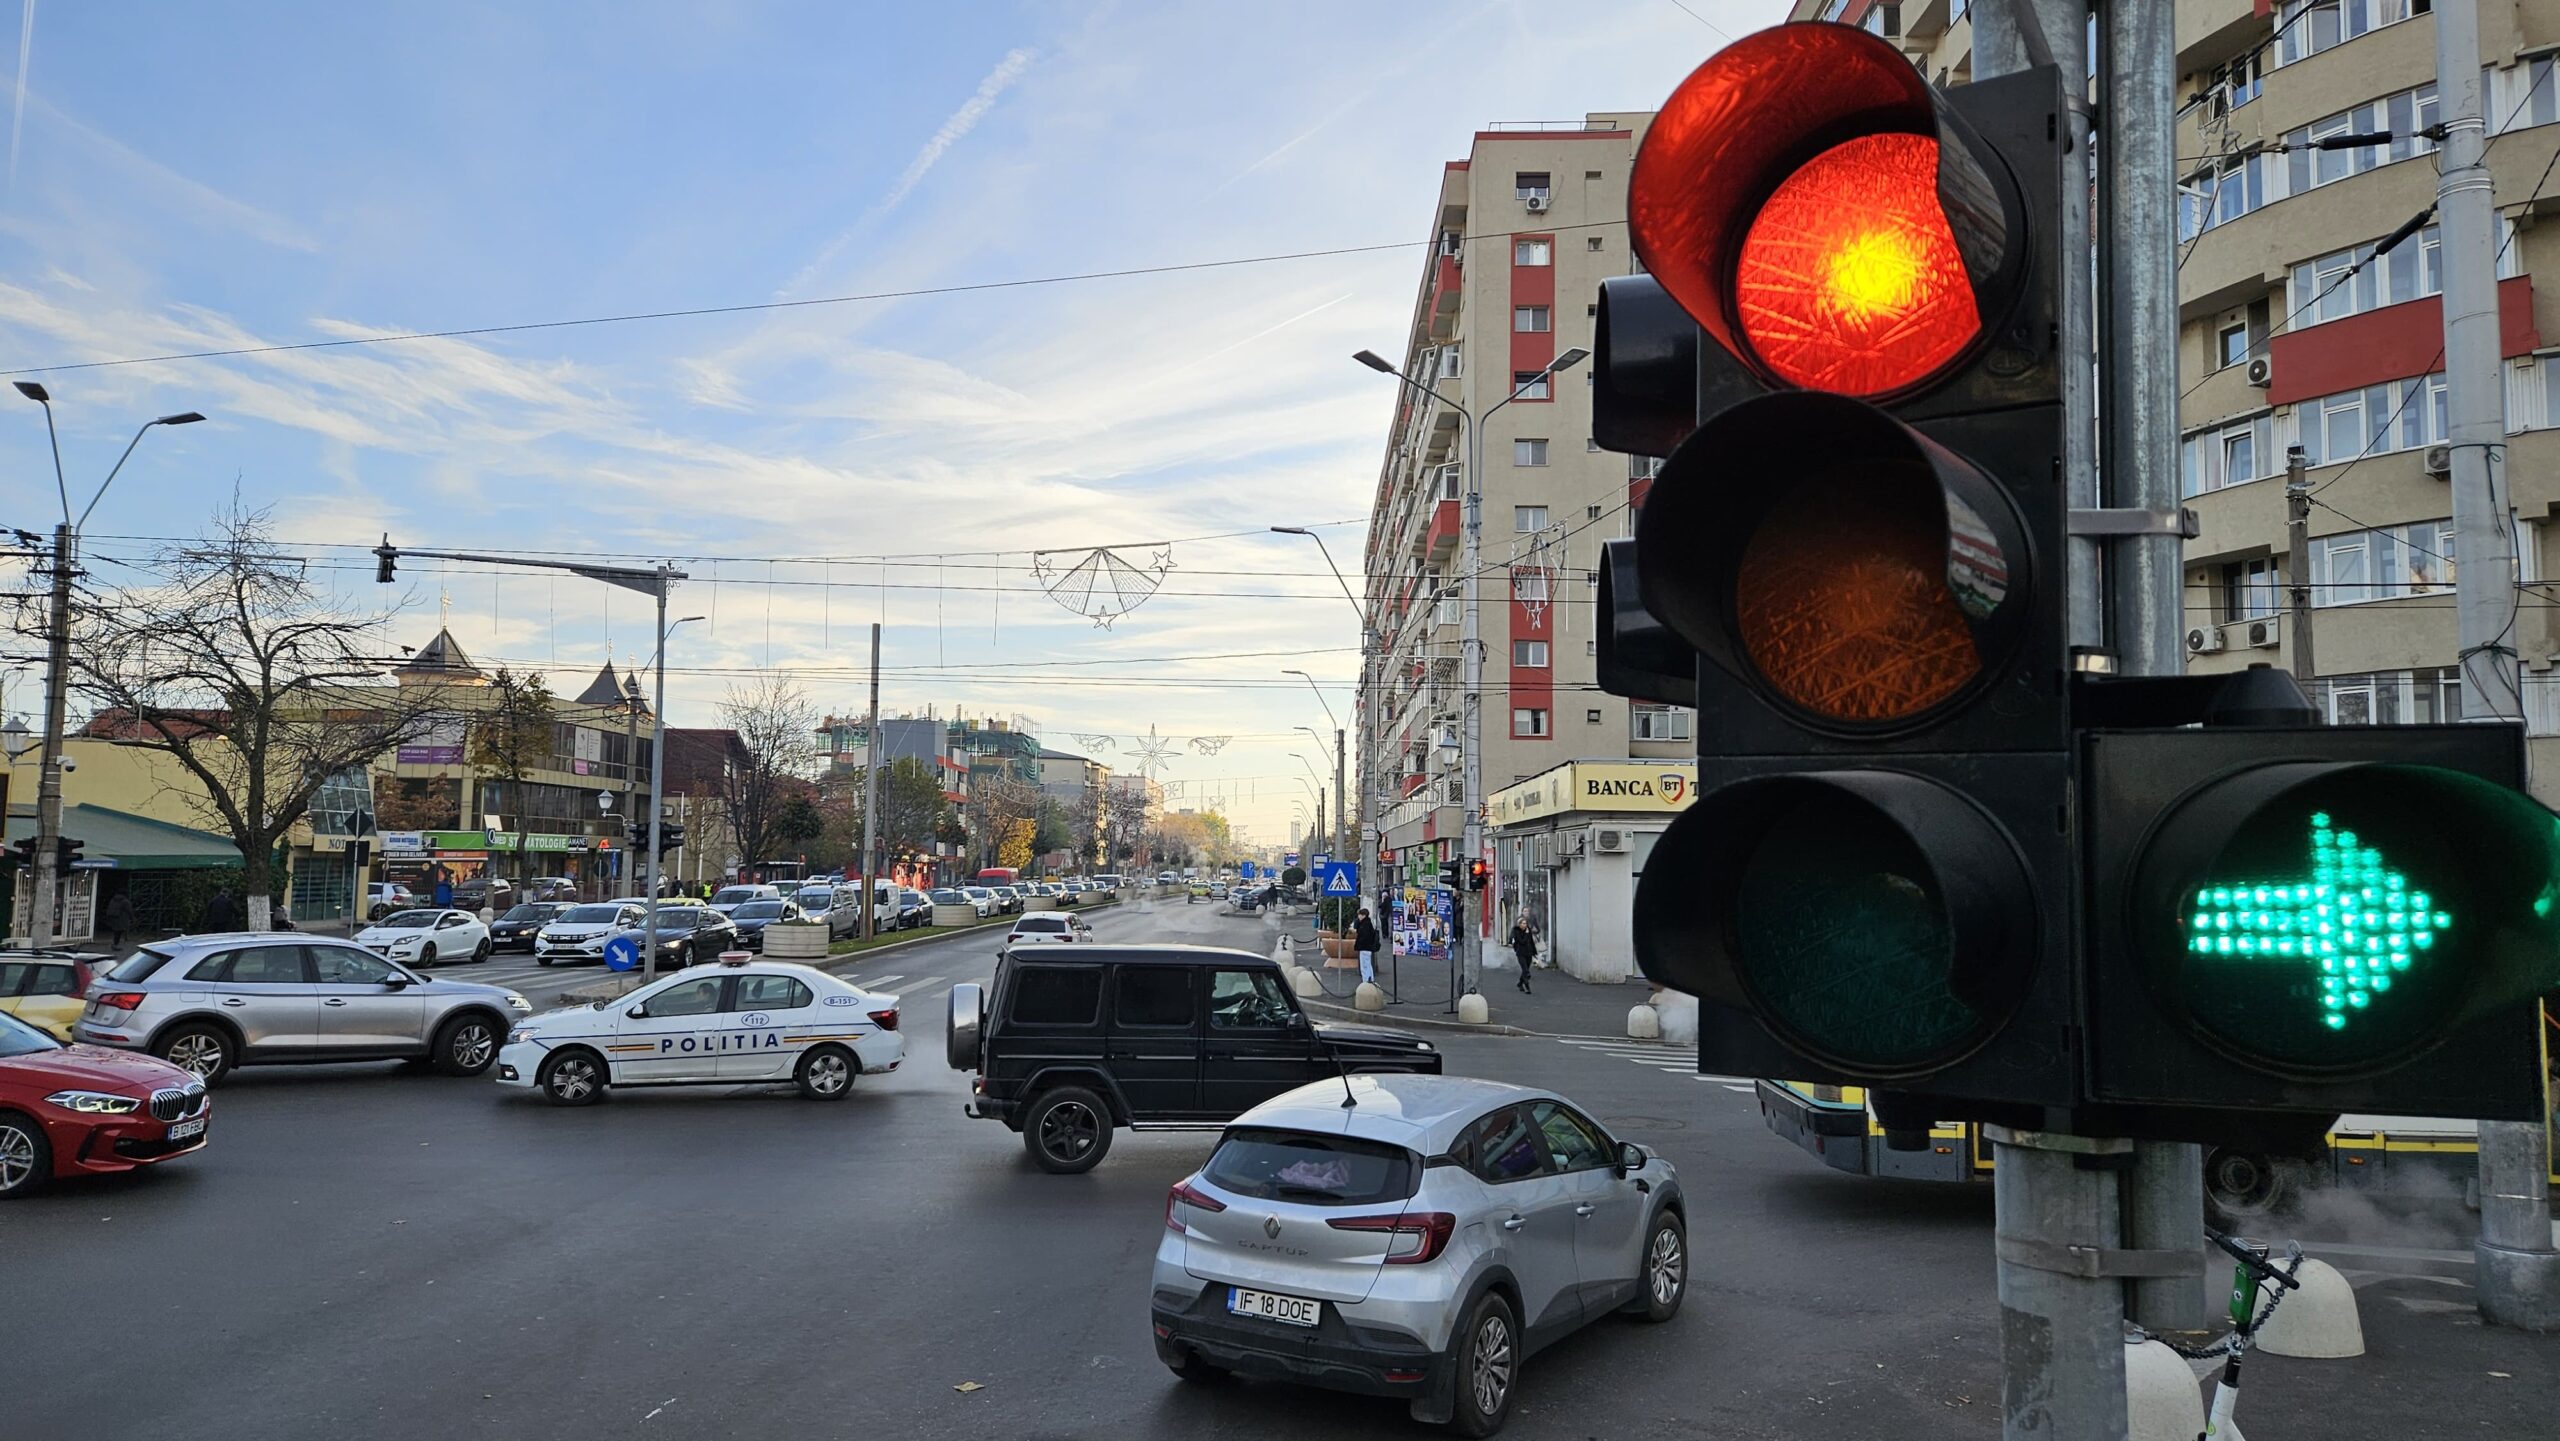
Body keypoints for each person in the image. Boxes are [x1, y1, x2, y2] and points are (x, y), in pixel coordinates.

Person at [1352, 908, 1381, 987]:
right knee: (1367, 964)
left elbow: (1363, 936)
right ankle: (1370, 979)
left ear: (1364, 915)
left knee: (1364, 965)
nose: (1358, 916)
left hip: (1364, 947)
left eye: (1360, 915)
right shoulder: (1366, 923)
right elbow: (1356, 926)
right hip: (1366, 947)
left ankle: (1366, 981)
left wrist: (1360, 944)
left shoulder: (1365, 925)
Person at [1510, 918, 1539, 995]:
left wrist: (1534, 952)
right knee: (1525, 970)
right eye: (1523, 923)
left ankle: (1520, 983)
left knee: (1525, 970)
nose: (1525, 925)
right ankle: (1527, 987)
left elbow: (1531, 942)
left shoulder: (1528, 930)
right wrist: (1526, 934)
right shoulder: (1516, 931)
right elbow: (1521, 941)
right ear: (1519, 924)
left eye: (1525, 923)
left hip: (1529, 953)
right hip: (1521, 953)